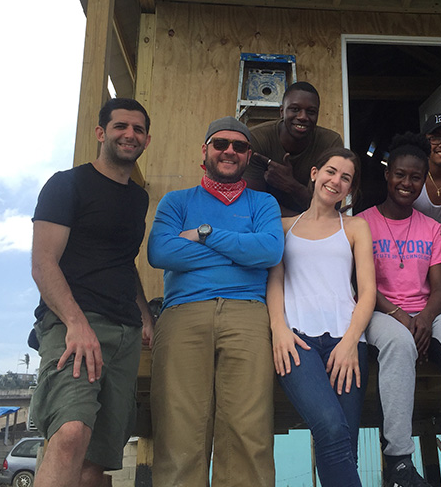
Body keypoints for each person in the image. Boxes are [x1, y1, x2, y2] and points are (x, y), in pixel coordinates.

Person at [147, 116, 284, 487]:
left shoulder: (263, 203)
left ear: (249, 155)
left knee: (248, 430)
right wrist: (241, 253)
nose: (229, 151)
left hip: (249, 314)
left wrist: (205, 235)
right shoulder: (176, 202)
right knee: (179, 432)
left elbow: (271, 250)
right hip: (182, 315)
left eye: (239, 146)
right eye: (221, 144)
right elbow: (160, 251)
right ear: (205, 150)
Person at [29, 98, 154, 487]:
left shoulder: (137, 198)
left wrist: (146, 318)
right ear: (101, 133)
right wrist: (75, 323)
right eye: (120, 126)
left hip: (125, 334)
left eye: (137, 129)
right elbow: (43, 263)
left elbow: (123, 261)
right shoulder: (68, 184)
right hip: (74, 328)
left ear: (146, 140)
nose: (129, 134)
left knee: (96, 460)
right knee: (69, 434)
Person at [358, 134, 441, 487]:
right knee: (399, 343)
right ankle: (398, 460)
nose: (407, 183)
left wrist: (426, 320)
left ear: (423, 180)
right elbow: (362, 286)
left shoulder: (431, 228)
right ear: (387, 175)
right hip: (380, 313)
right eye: (400, 175)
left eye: (415, 177)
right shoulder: (362, 223)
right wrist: (402, 317)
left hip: (425, 311)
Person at [268, 147, 375, 486]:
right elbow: (275, 282)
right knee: (330, 426)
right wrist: (278, 329)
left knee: (345, 444)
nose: (336, 181)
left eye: (346, 178)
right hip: (297, 342)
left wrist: (350, 342)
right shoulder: (283, 226)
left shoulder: (356, 226)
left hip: (347, 341)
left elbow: (368, 292)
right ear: (314, 174)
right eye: (331, 171)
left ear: (350, 188)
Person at [244, 81, 343, 216]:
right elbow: (254, 206)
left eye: (311, 111)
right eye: (295, 109)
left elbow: (331, 207)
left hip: (315, 227)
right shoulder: (257, 139)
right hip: (267, 224)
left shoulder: (330, 143)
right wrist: (302, 220)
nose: (303, 117)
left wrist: (291, 185)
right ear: (282, 112)